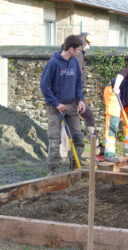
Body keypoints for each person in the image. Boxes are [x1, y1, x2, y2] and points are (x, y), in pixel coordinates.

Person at [40, 35, 86, 175]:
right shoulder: (53, 63)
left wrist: (80, 99)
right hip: (54, 107)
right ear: (71, 49)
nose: (80, 52)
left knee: (78, 138)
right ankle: (53, 171)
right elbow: (44, 86)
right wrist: (55, 103)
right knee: (55, 140)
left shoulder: (74, 62)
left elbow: (78, 83)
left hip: (71, 106)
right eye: (78, 49)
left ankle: (74, 167)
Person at [59, 32, 104, 159]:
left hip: (75, 94)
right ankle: (63, 153)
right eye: (88, 44)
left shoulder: (77, 53)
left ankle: (95, 147)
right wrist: (77, 98)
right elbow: (75, 76)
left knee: (86, 116)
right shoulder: (75, 55)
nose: (89, 47)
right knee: (65, 122)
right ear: (84, 42)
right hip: (70, 95)